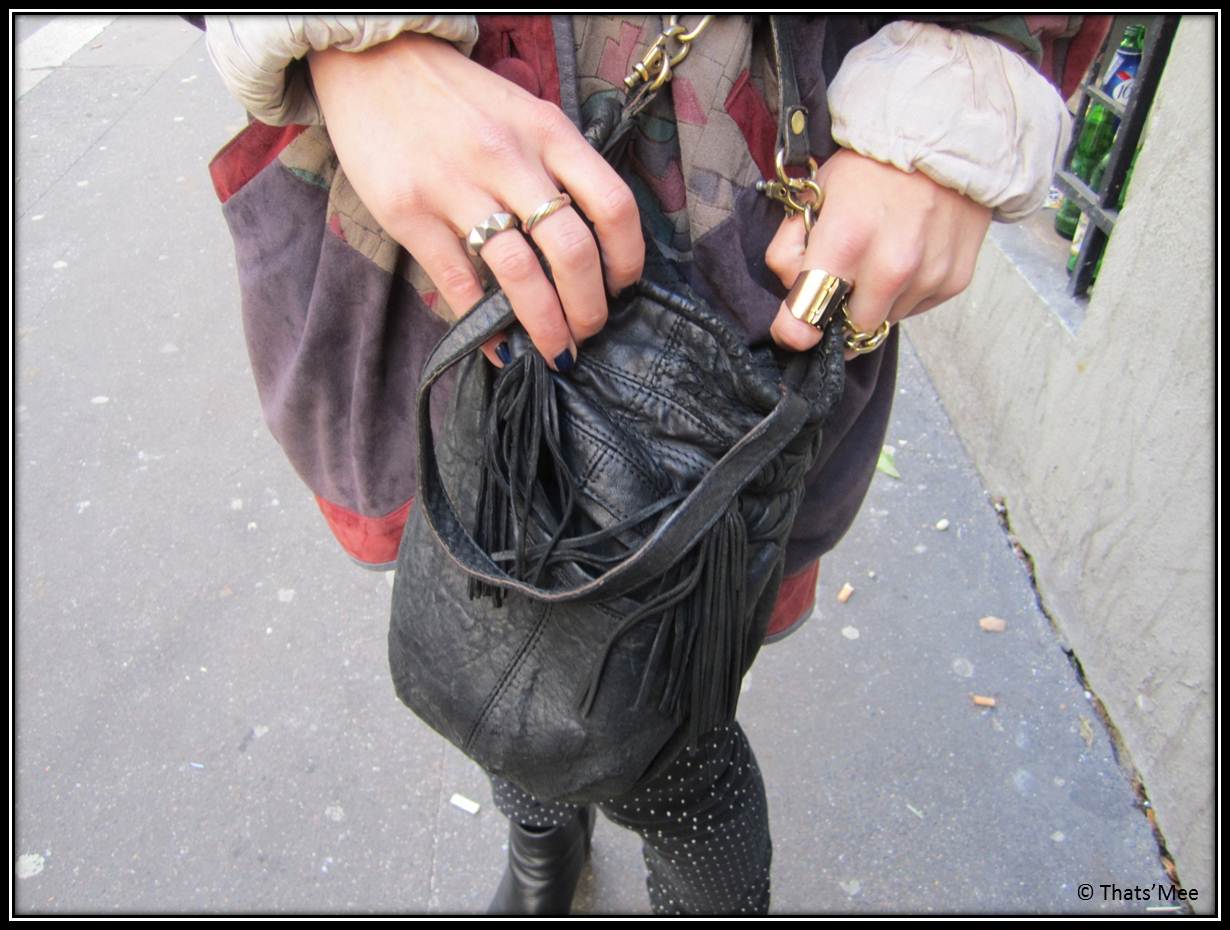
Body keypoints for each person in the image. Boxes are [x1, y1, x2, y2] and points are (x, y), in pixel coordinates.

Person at [198, 14, 1098, 914]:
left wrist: (957, 96)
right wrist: (354, 53)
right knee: (482, 626)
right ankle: (544, 847)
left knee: (674, 753)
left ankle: (567, 849)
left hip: (732, 265)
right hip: (420, 200)